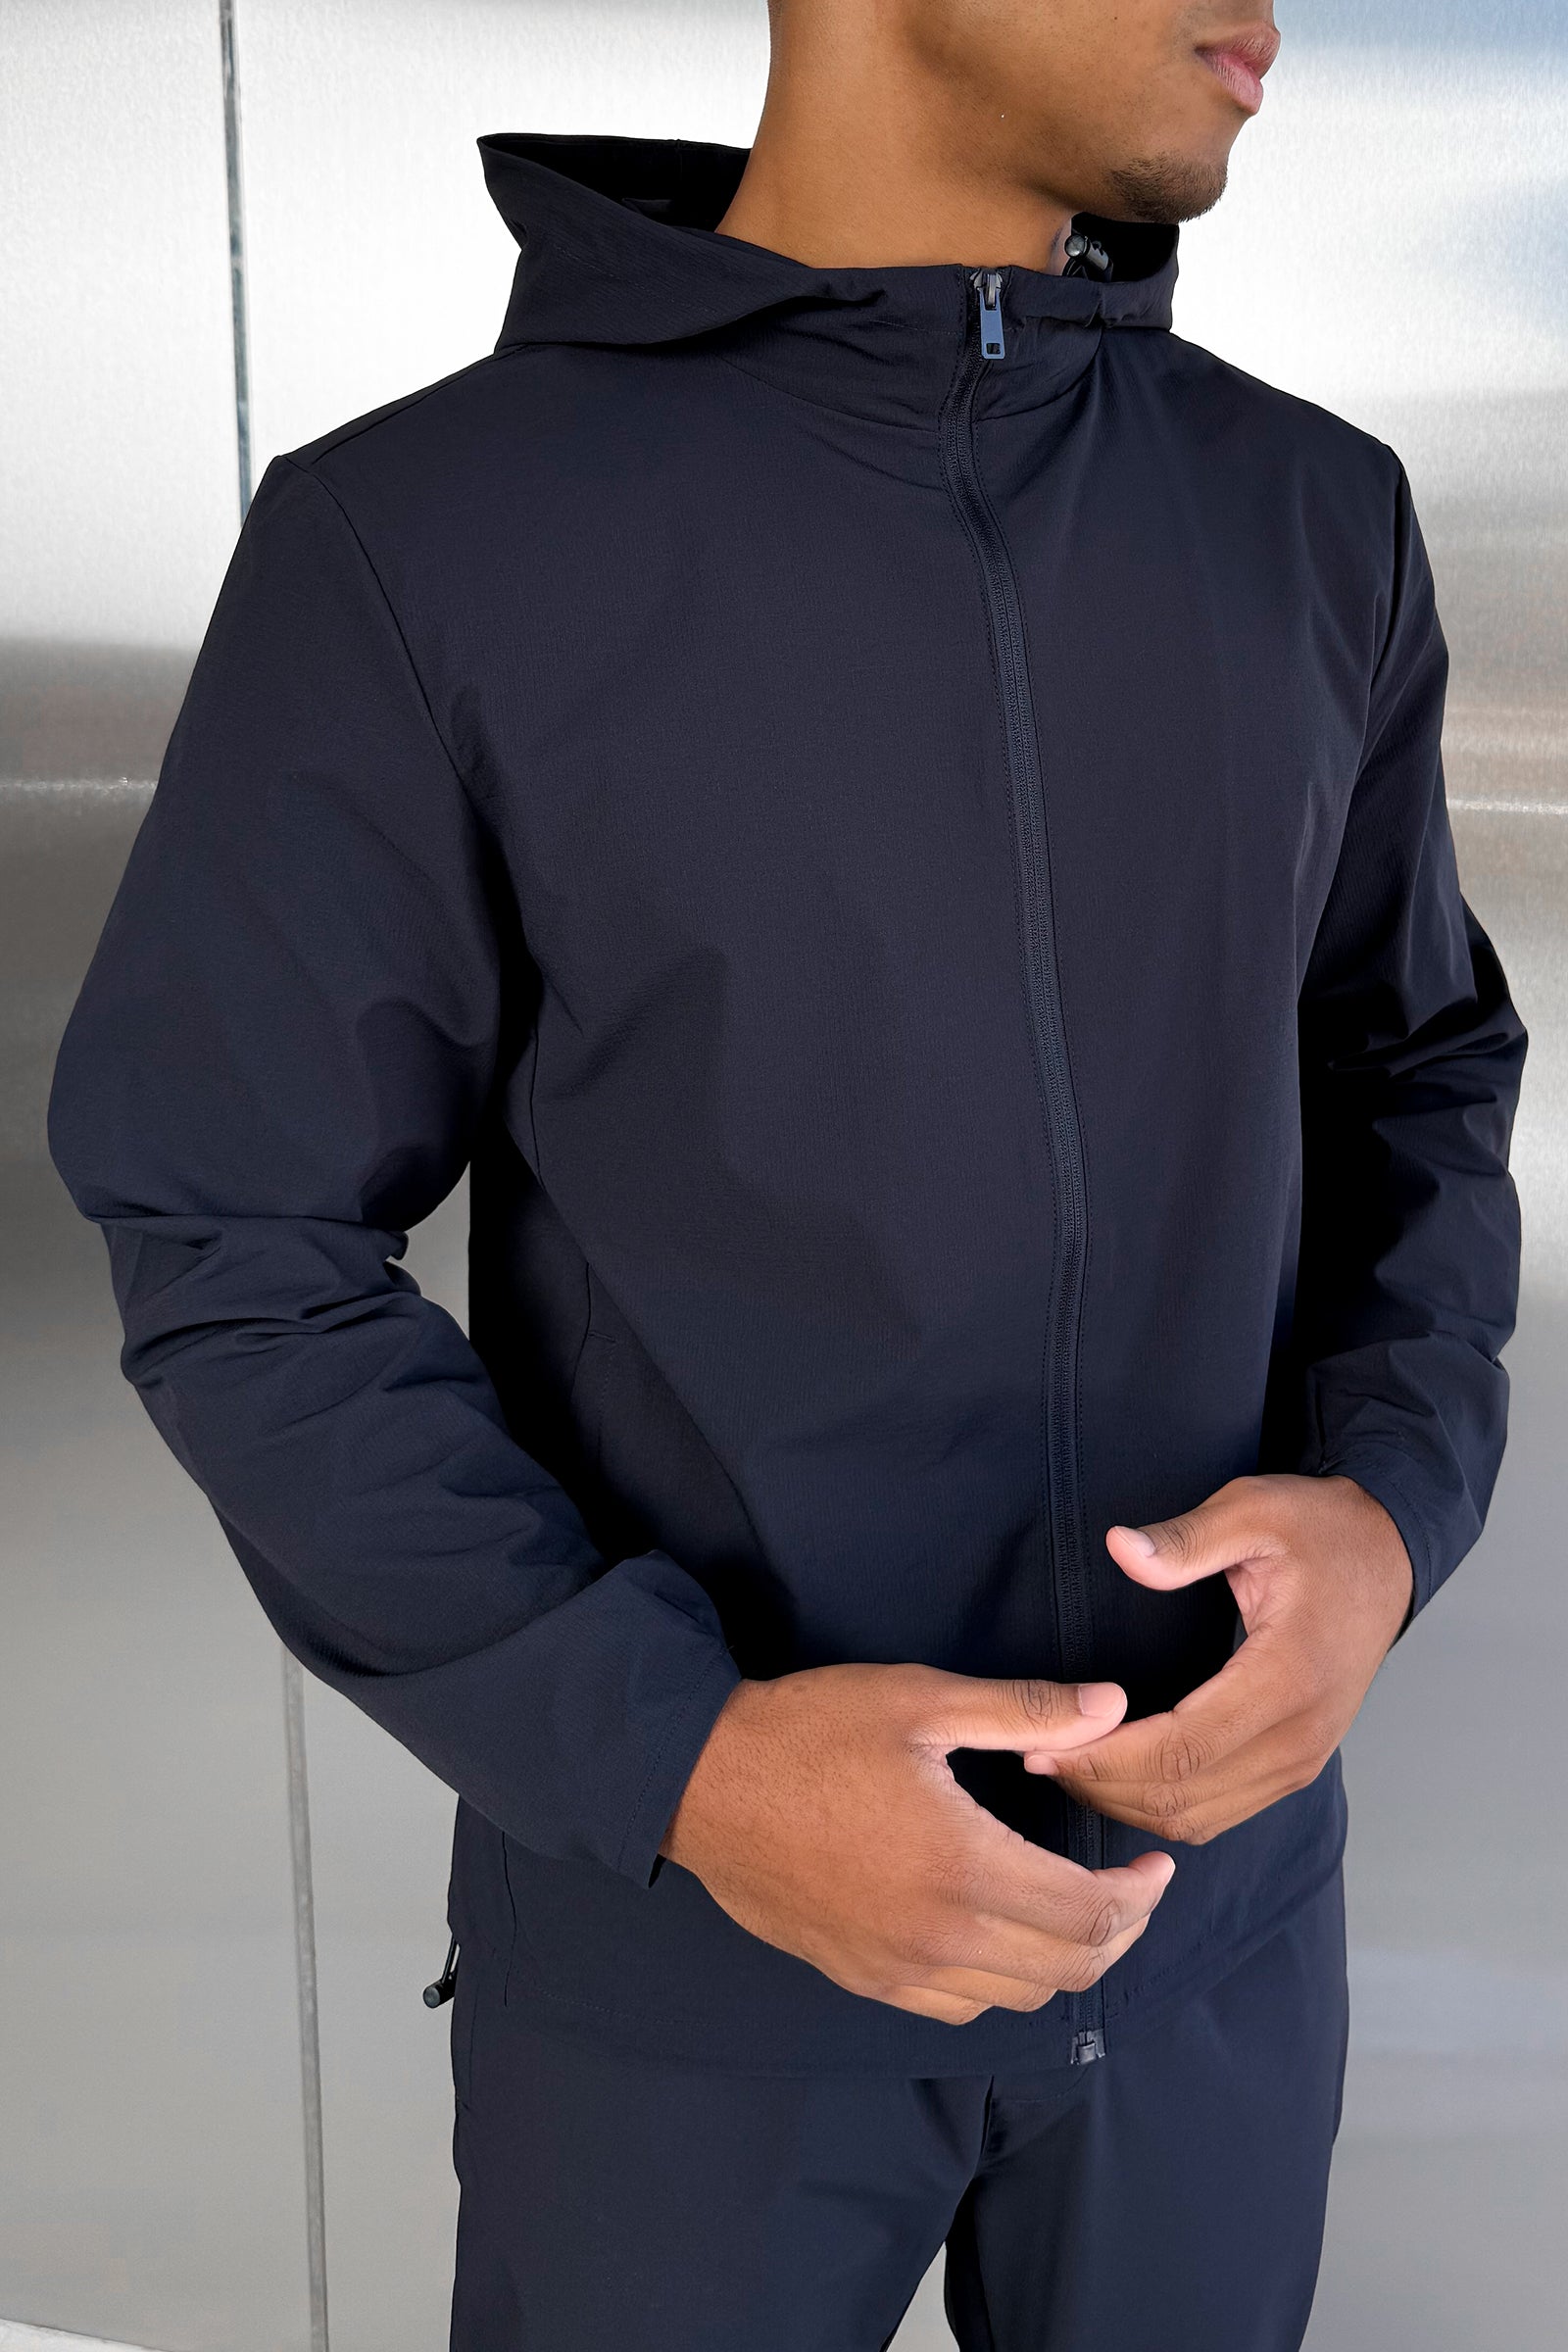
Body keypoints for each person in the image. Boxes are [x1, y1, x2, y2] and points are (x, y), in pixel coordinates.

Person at [49, 2, 1525, 2345]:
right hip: (688, 1980)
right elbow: (235, 1229)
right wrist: (686, 1762)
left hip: (1212, 1938)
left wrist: (1387, 1501)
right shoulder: (424, 537)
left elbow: (1408, 1068)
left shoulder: (1308, 514)